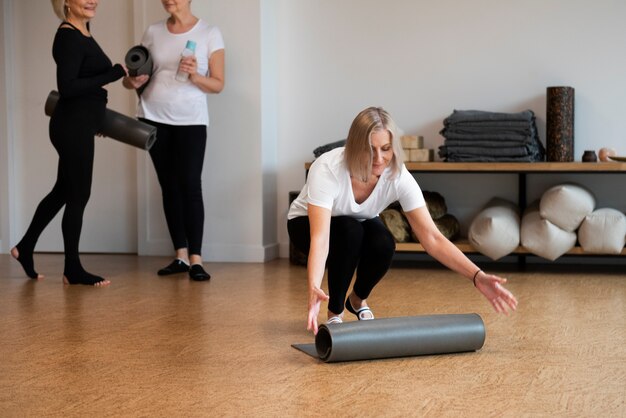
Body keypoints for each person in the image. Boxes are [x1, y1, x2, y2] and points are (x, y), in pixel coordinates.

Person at [288, 107, 518, 334]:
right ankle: (335, 313)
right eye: (370, 149)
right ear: (356, 146)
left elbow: (432, 237)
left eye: (386, 149)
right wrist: (313, 287)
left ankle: (357, 301)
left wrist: (477, 276)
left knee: (384, 242)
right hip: (305, 225)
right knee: (349, 232)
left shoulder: (397, 176)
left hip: (357, 222)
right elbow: (320, 238)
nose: (379, 159)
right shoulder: (328, 168)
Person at [11, 0, 126, 286]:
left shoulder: (83, 32)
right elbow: (68, 87)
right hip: (71, 125)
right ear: (66, 3)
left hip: (81, 125)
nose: (92, 0)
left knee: (63, 191)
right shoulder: (66, 36)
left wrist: (96, 120)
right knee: (79, 195)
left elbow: (85, 87)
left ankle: (24, 247)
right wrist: (111, 74)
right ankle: (72, 269)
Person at [123, 0, 225, 281]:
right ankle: (180, 256)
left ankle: (196, 259)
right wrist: (132, 82)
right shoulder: (153, 32)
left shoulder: (209, 33)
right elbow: (137, 77)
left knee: (191, 185)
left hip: (190, 120)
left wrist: (193, 75)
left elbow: (218, 84)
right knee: (168, 186)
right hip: (152, 117)